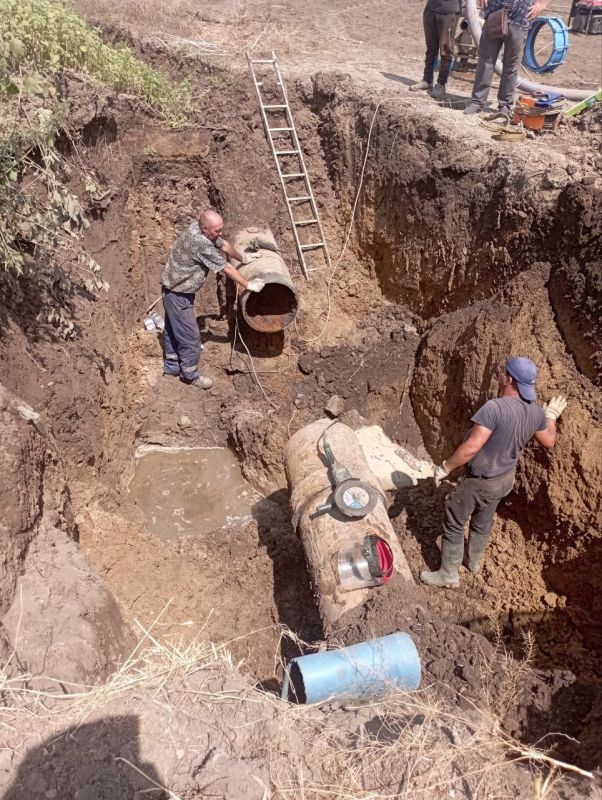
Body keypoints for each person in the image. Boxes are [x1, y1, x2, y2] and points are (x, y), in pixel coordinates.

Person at [420, 357, 567, 588]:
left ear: (509, 379)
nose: (499, 374)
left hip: (481, 479)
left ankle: (448, 575)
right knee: (483, 518)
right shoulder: (537, 413)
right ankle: (474, 562)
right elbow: (548, 441)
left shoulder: (494, 408)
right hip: (504, 479)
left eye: (502, 372)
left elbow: (472, 447)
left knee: (454, 519)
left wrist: (445, 468)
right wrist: (550, 417)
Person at [161, 208, 264, 390]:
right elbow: (225, 268)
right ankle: (190, 375)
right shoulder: (200, 243)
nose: (220, 233)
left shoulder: (200, 229)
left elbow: (223, 245)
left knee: (172, 329)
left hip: (174, 291)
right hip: (178, 295)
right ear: (205, 229)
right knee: (191, 337)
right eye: (216, 230)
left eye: (220, 229)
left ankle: (171, 367)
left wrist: (244, 258)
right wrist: (248, 285)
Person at [464, 0, 550, 115]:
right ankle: (477, 102)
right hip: (495, 11)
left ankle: (505, 105)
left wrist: (542, 3)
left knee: (511, 64)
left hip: (521, 15)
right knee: (486, 59)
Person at [409, 0, 461, 100]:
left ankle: (441, 84)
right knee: (431, 48)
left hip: (448, 11)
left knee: (446, 50)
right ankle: (427, 80)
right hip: (431, 9)